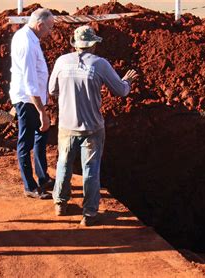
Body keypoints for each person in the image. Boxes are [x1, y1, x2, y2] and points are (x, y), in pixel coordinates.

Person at [48, 25, 138, 226]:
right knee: (90, 169)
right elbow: (121, 91)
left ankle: (60, 205)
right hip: (92, 128)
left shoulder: (62, 61)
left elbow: (52, 90)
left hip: (66, 125)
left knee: (63, 163)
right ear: (93, 45)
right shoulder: (100, 64)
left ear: (75, 44)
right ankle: (89, 214)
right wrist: (127, 81)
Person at [9, 8, 55, 199]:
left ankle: (43, 178)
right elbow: (29, 82)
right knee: (26, 141)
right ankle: (30, 186)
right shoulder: (27, 43)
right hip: (27, 100)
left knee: (40, 136)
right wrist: (42, 111)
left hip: (34, 99)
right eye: (50, 28)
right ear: (40, 25)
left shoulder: (28, 37)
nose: (51, 32)